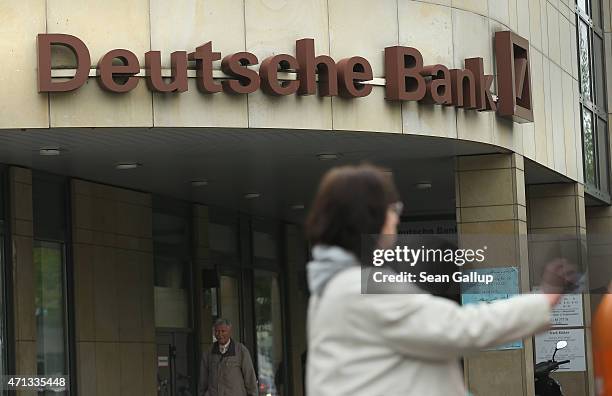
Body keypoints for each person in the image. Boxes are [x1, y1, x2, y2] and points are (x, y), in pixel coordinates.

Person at [305, 164, 572, 396]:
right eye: (393, 208)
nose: (397, 217)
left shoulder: (331, 285)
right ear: (370, 216)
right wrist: (545, 297)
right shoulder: (362, 288)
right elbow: (461, 328)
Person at [198, 318, 258, 396]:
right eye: (217, 331)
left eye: (223, 331)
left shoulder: (241, 351)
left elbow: (250, 378)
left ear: (230, 332)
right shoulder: (208, 352)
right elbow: (203, 381)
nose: (220, 334)